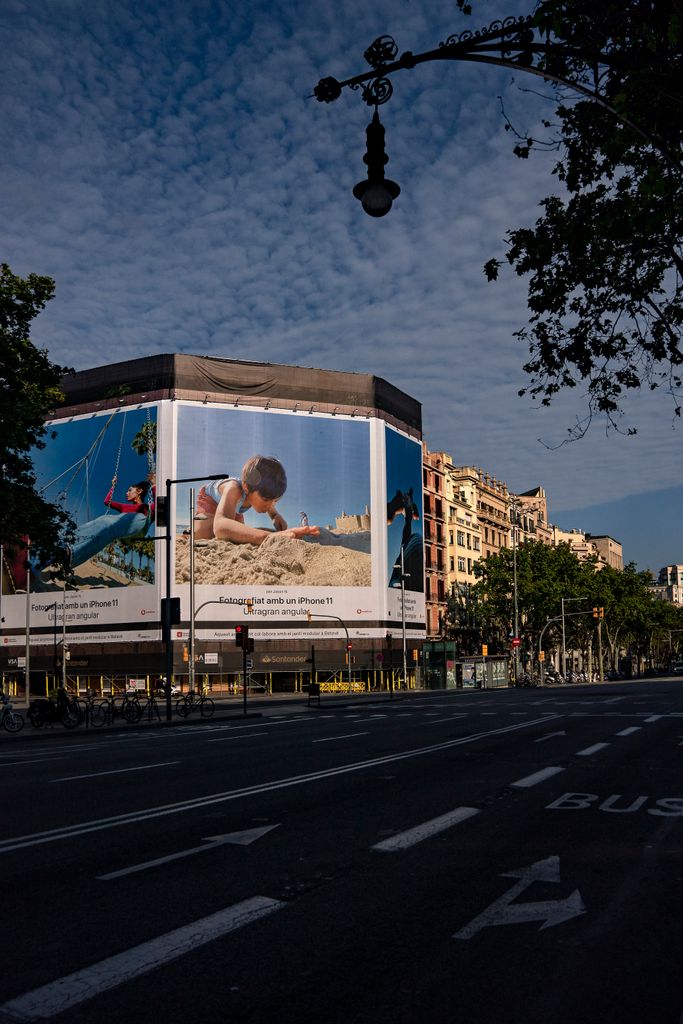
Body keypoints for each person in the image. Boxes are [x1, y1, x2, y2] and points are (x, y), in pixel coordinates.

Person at [193, 455, 319, 545]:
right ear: (246, 487)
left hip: (235, 510)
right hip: (211, 501)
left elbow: (271, 509)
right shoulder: (233, 488)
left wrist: (276, 517)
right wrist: (270, 537)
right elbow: (221, 526)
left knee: (234, 536)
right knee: (205, 535)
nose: (270, 505)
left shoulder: (263, 496)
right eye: (266, 499)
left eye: (275, 500)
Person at [67, 472, 156, 570]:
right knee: (103, 519)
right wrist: (113, 485)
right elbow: (107, 501)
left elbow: (160, 506)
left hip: (140, 525)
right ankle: (68, 542)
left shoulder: (147, 507)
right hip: (122, 531)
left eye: (130, 490)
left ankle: (72, 553)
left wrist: (154, 484)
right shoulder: (124, 507)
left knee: (109, 521)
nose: (126, 493)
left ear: (139, 491)